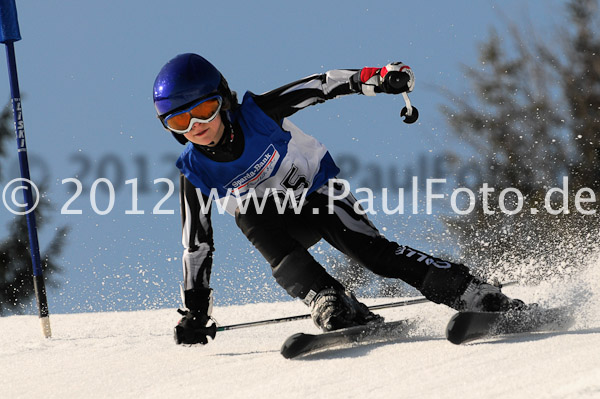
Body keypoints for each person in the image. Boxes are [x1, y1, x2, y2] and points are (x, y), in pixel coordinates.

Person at [152, 53, 524, 345]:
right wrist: (196, 311)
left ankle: (473, 292)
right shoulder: (194, 171)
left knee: (373, 255)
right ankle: (330, 300)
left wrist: (376, 79)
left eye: (203, 111)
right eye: (179, 122)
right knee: (248, 214)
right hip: (280, 225)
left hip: (318, 194)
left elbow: (321, 85)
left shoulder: (259, 114)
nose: (195, 127)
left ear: (225, 101)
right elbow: (196, 244)